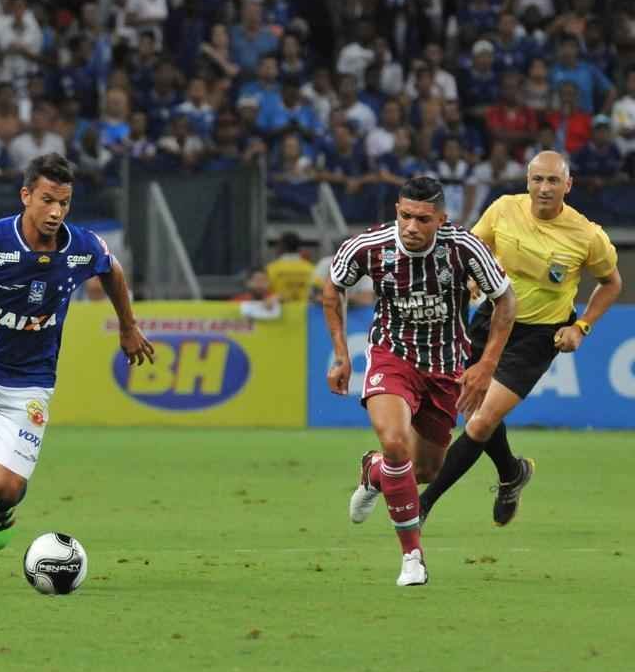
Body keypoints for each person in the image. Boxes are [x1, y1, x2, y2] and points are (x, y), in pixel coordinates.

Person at [0, 153, 155, 586]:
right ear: (26, 196)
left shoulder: (82, 246)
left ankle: (1, 512)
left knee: (5, 487)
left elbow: (111, 270)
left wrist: (128, 327)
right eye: (48, 200)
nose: (56, 212)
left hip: (29, 383)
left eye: (65, 202)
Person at [324, 176, 517, 586]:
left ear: (441, 219)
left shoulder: (463, 248)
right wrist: (341, 355)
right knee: (395, 442)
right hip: (391, 357)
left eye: (423, 219)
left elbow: (506, 300)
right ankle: (413, 557)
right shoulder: (369, 245)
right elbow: (333, 287)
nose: (412, 226)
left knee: (424, 470)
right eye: (406, 216)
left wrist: (486, 365)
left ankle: (374, 473)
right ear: (397, 210)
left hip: (445, 368)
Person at [418, 152, 622, 525]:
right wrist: (472, 279)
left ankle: (422, 506)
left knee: (479, 423)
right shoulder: (503, 209)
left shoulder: (587, 235)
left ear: (568, 185)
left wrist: (581, 327)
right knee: (474, 411)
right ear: (527, 181)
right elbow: (472, 253)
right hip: (492, 320)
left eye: (553, 181)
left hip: (539, 334)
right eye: (538, 180)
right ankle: (512, 473)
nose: (544, 189)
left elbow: (612, 283)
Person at [266, 231, 314, 302]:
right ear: (299, 247)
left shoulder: (271, 268)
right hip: (305, 311)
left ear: (281, 247)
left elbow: (267, 293)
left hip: (280, 311)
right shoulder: (311, 268)